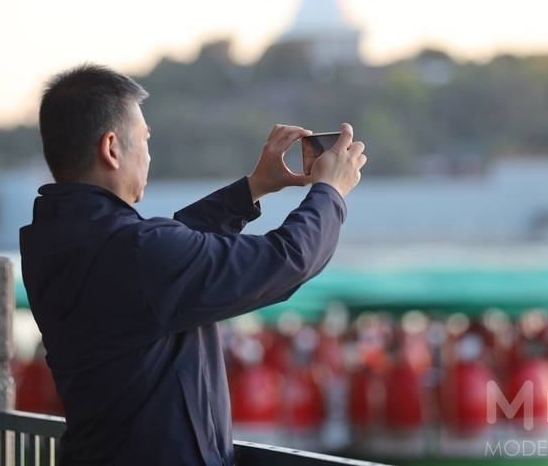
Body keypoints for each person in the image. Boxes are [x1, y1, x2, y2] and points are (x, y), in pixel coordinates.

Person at [20, 64, 367, 465]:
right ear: (112, 148)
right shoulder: (135, 252)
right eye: (145, 140)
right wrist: (330, 192)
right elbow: (286, 259)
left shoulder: (56, 240)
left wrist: (252, 189)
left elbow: (169, 249)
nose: (149, 154)